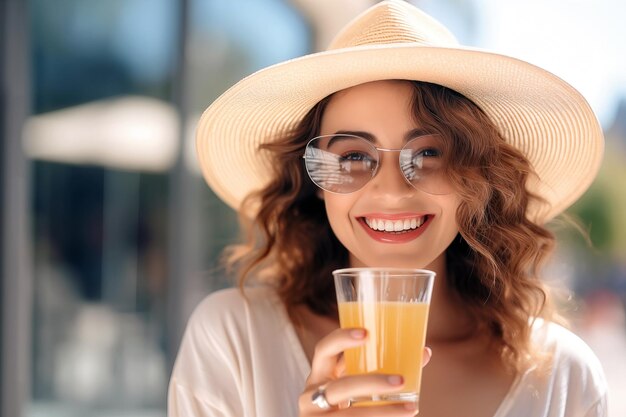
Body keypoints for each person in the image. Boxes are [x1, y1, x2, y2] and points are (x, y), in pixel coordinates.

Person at [168, 1, 608, 416]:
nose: (393, 191)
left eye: (430, 153)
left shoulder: (563, 379)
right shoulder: (234, 340)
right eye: (354, 157)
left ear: (476, 179)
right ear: (315, 185)